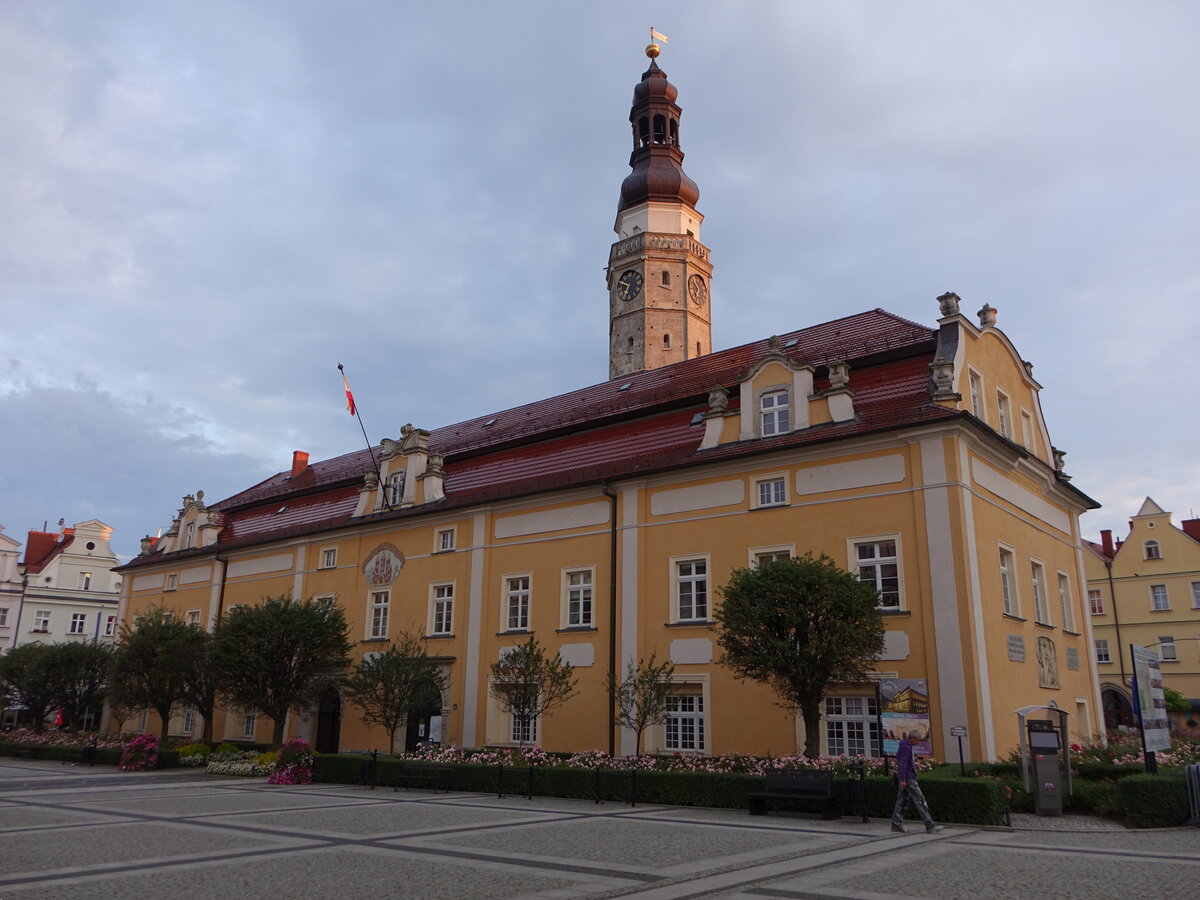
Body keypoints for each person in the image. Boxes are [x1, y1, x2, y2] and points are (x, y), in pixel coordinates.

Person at [891, 729, 943, 833]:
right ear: (912, 738)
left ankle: (896, 824)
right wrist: (902, 779)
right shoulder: (906, 747)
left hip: (905, 777)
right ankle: (930, 825)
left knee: (902, 800)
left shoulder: (904, 745)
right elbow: (903, 764)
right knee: (920, 800)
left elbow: (901, 762)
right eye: (917, 740)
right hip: (908, 778)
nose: (918, 742)